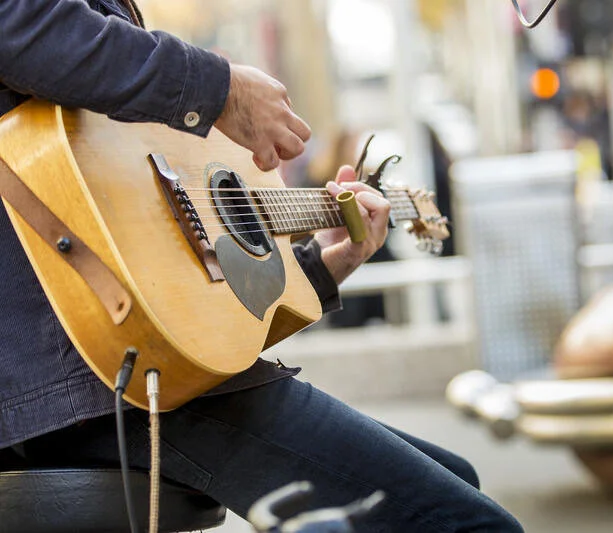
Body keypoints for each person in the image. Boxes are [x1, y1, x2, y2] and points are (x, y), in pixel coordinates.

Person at [0, 1, 523, 531]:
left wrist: (320, 266)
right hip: (84, 376)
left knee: (458, 476)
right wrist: (221, 90)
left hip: (122, 366)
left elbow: (182, 267)